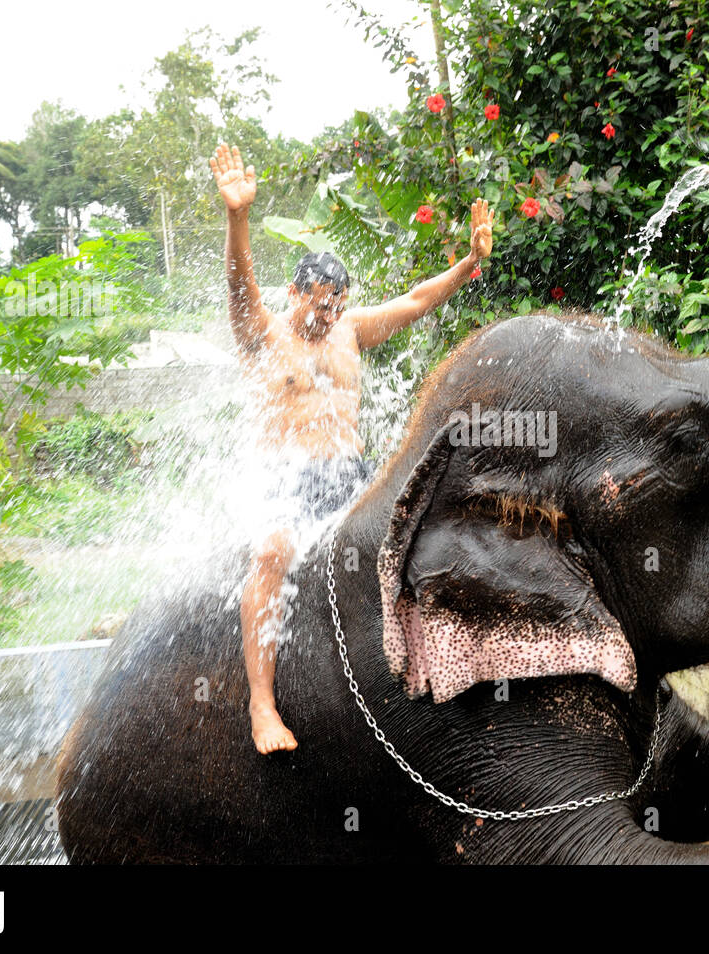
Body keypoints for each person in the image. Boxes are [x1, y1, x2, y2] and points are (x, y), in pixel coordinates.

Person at [209, 142, 495, 754]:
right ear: (295, 294)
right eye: (318, 307)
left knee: (429, 527)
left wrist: (469, 262)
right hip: (286, 477)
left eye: (335, 307)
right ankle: (263, 705)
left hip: (349, 475)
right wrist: (237, 217)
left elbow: (418, 300)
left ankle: (446, 666)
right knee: (272, 553)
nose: (326, 318)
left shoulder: (350, 330)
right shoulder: (263, 333)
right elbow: (239, 285)